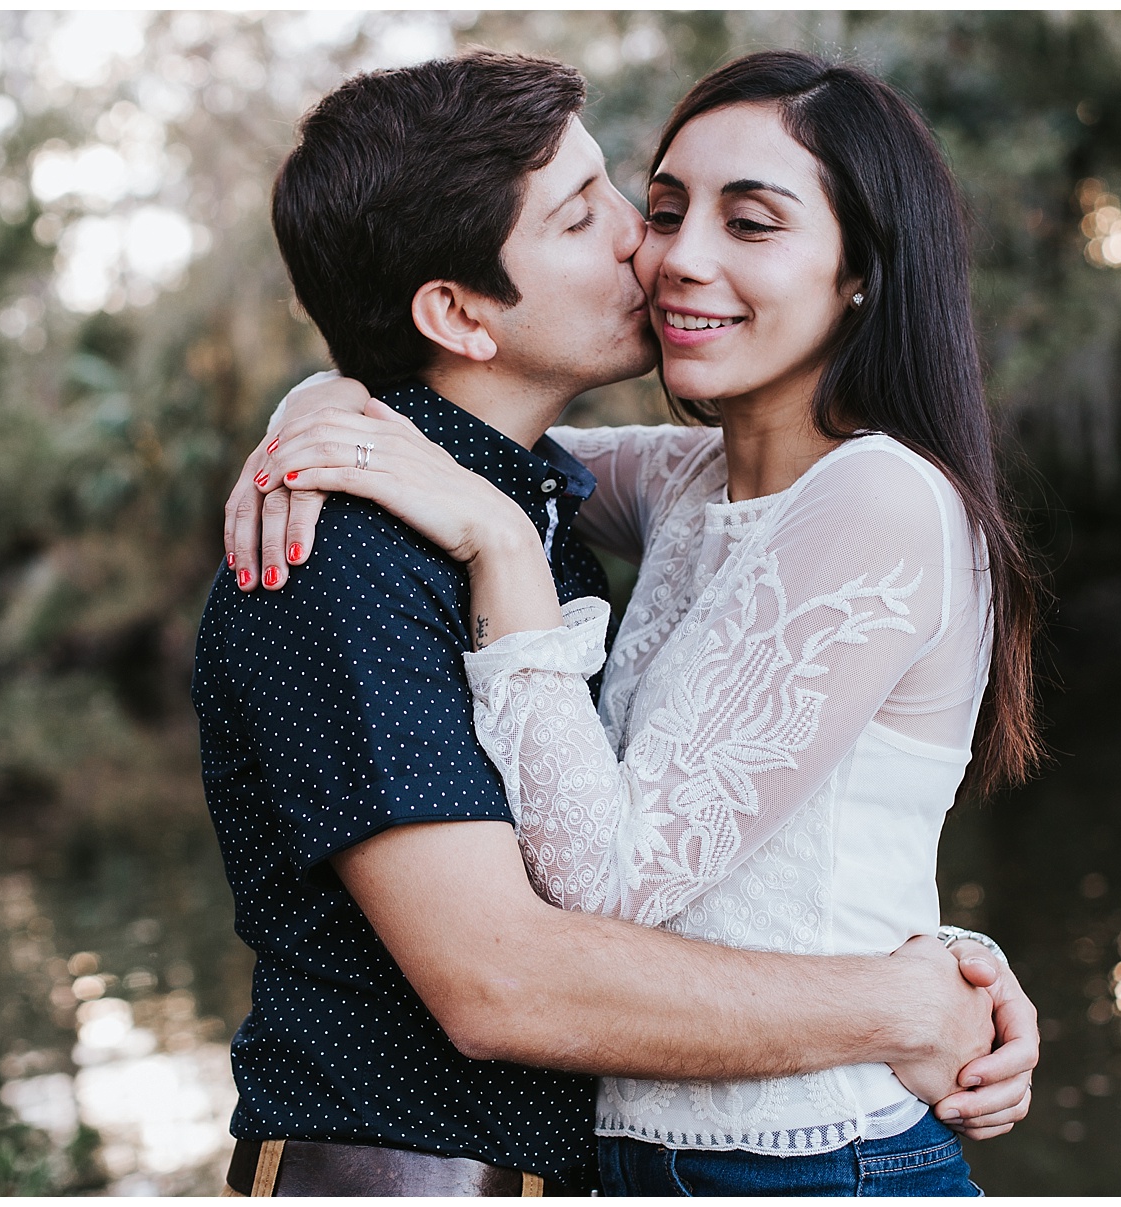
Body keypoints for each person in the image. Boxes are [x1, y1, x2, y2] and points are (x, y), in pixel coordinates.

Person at [196, 50, 1036, 1198]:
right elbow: (507, 978)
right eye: (630, 210)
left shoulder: (529, 507)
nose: (664, 252)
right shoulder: (377, 541)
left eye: (750, 222)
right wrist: (324, 401)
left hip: (789, 1158)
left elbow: (721, 868)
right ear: (457, 309)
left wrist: (941, 975)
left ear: (861, 272)